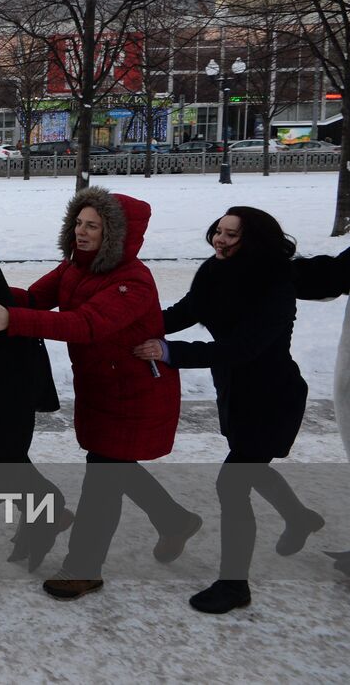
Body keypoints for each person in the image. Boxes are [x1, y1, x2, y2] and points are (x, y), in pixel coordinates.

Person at [0, 187, 196, 601]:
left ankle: (85, 567)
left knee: (103, 478)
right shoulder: (76, 267)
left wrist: (12, 321)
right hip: (101, 386)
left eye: (93, 225)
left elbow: (85, 324)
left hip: (135, 391)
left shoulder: (132, 281)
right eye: (78, 223)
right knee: (111, 463)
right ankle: (174, 519)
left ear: (116, 234)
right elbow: (36, 298)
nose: (81, 232)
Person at [133, 207, 321, 614]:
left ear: (253, 240)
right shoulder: (215, 269)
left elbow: (244, 347)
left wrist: (169, 353)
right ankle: (300, 518)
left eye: (232, 235)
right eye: (218, 231)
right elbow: (188, 311)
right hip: (235, 394)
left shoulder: (275, 284)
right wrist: (135, 327)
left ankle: (234, 585)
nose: (220, 240)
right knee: (252, 468)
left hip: (272, 396)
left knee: (233, 483)